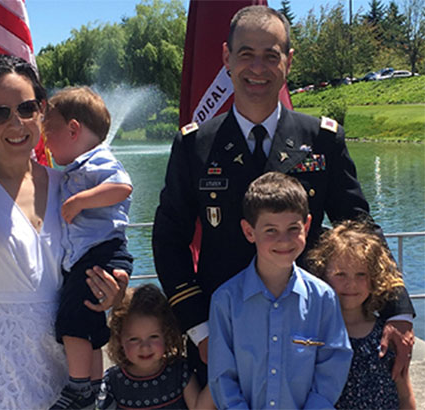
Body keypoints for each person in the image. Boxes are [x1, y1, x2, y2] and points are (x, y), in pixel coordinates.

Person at [152, 4, 414, 385]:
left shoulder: (322, 140)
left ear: (288, 62)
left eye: (270, 56)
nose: (257, 68)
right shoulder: (196, 146)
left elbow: (359, 229)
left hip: (309, 334)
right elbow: (168, 238)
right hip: (223, 332)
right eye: (246, 55)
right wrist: (199, 327)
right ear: (226, 57)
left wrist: (398, 309)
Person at [0, 54, 128, 410]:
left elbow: (106, 247)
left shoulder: (69, 185)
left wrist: (112, 290)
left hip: (70, 371)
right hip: (1, 370)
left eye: (26, 108)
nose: (16, 123)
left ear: (42, 110)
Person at [208, 172, 353, 409]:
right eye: (271, 231)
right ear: (249, 232)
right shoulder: (226, 301)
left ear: (306, 225)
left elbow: (333, 366)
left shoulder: (323, 298)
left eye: (293, 228)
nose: (284, 241)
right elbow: (221, 376)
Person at [43, 86, 134, 410]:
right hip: (95, 255)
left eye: (48, 130)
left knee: (70, 321)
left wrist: (81, 200)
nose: (45, 139)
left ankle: (79, 387)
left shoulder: (97, 160)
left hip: (99, 253)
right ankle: (96, 392)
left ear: (73, 129)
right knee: (91, 327)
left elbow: (122, 187)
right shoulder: (78, 166)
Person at [307, 220, 416, 410]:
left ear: (374, 278)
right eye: (341, 274)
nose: (352, 284)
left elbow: (405, 395)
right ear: (323, 275)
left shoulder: (388, 335)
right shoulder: (315, 332)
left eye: (361, 275)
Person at [95, 283, 214, 410]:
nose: (145, 347)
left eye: (154, 337)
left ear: (166, 334)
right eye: (134, 339)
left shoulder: (180, 371)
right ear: (119, 340)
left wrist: (222, 370)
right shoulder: (113, 381)